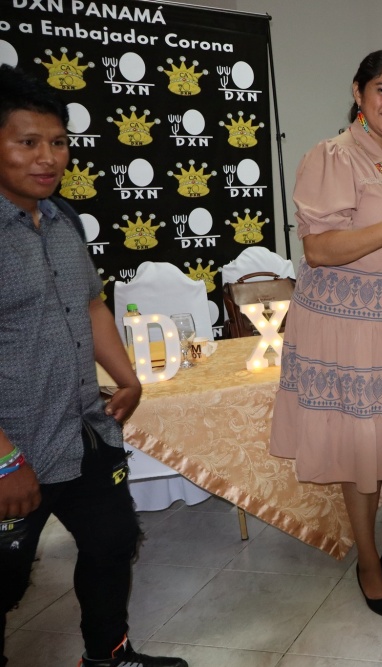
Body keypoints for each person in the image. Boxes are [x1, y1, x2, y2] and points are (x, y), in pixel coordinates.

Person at [0, 65, 187, 667]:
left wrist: (127, 377)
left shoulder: (64, 220)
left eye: (58, 142)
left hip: (83, 430)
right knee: (5, 578)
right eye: (28, 142)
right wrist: (4, 461)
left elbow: (90, 305)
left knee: (112, 542)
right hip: (15, 446)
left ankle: (108, 655)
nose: (47, 158)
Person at [269, 51, 382, 618]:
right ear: (358, 92)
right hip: (351, 328)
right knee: (364, 448)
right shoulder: (333, 156)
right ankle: (369, 561)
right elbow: (319, 249)